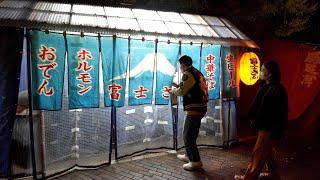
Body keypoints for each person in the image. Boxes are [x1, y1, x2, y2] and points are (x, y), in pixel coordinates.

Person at [235, 61, 288, 180]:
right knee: (266, 150)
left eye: (262, 70)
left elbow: (272, 113)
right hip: (266, 126)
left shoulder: (276, 90)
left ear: (270, 74)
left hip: (269, 127)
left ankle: (249, 177)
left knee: (258, 152)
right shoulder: (265, 86)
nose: (259, 72)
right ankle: (273, 172)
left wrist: (260, 123)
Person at [171, 55, 208, 171]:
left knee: (188, 135)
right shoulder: (197, 71)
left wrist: (173, 90)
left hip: (195, 108)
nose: (180, 67)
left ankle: (195, 161)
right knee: (189, 133)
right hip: (200, 106)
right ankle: (189, 156)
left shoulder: (188, 74)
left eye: (180, 65)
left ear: (182, 64)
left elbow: (182, 91)